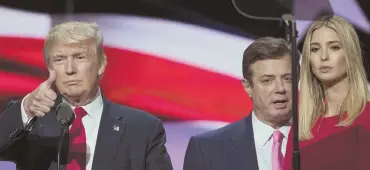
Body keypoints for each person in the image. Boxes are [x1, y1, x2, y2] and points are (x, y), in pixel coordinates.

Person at [0, 21, 173, 170]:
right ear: (50, 68)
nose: (70, 69)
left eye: (80, 57)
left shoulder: (143, 129)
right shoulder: (31, 121)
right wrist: (25, 108)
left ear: (101, 65)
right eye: (59, 59)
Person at [183, 37, 293, 170]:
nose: (280, 88)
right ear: (248, 87)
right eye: (267, 80)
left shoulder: (321, 143)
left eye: (287, 79)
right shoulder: (207, 149)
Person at [283, 15, 370, 170]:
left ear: (350, 54)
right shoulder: (303, 123)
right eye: (315, 49)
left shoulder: (366, 116)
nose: (323, 57)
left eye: (334, 47)